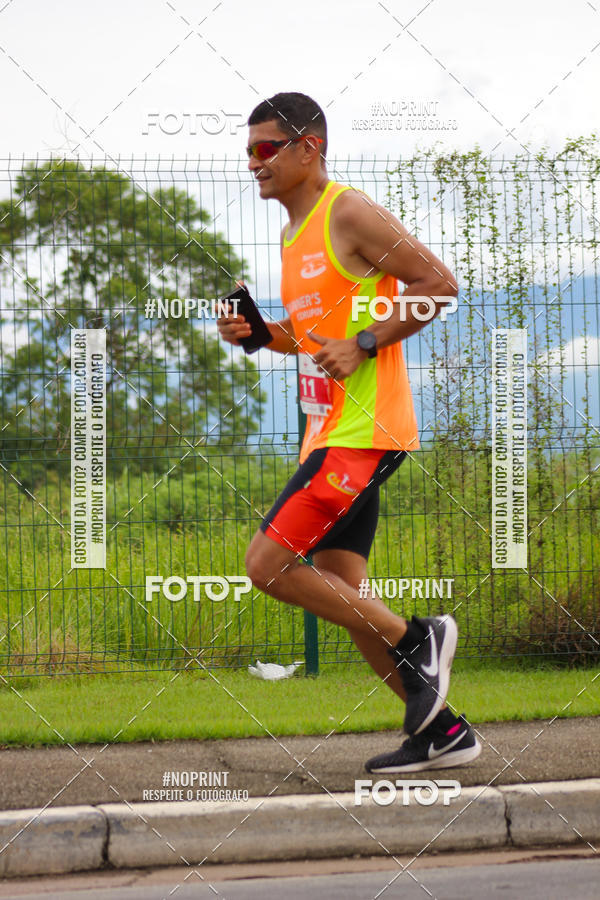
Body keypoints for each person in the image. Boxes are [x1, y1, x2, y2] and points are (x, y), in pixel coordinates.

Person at [217, 91, 481, 773]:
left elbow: (438, 284)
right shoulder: (293, 235)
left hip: (364, 432)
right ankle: (445, 733)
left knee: (266, 566)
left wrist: (366, 342)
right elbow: (311, 339)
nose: (254, 162)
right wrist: (258, 334)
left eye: (266, 148)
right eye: (248, 151)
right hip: (330, 433)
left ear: (310, 148)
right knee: (345, 590)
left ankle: (421, 637)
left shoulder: (348, 212)